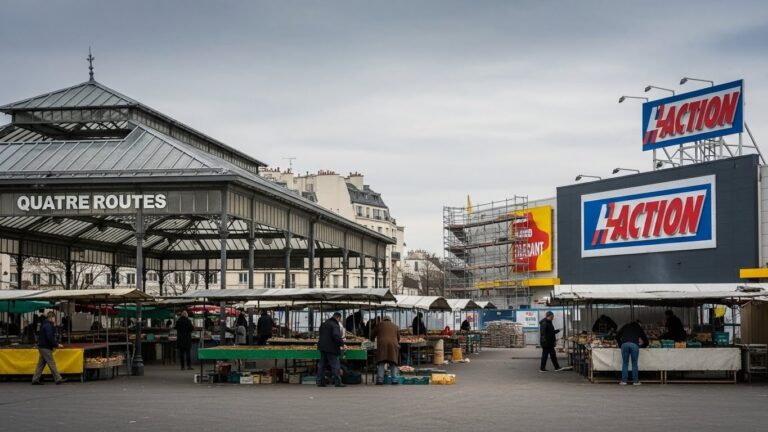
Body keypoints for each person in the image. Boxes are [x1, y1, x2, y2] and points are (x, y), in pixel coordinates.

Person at [32, 312, 65, 385]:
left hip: (42, 346)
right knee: (51, 363)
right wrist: (56, 344)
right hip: (46, 347)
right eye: (54, 318)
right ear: (51, 317)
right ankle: (58, 378)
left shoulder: (44, 324)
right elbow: (50, 337)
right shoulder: (48, 325)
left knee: (41, 364)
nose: (55, 319)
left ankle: (35, 379)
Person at [316, 312, 346, 387]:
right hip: (331, 348)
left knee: (322, 365)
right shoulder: (335, 325)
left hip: (322, 347)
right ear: (338, 318)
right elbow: (336, 336)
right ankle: (338, 382)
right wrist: (342, 344)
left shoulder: (324, 324)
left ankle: (320, 382)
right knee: (335, 365)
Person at [617, 320, 649, 385]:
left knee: (625, 363)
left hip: (624, 344)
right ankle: (635, 381)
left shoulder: (625, 326)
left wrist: (620, 345)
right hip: (634, 345)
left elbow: (617, 336)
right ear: (638, 324)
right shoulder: (638, 327)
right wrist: (641, 346)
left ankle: (624, 381)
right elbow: (646, 341)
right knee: (634, 363)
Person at [373, 315, 400, 385]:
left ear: (383, 320)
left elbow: (372, 334)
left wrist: (372, 339)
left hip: (382, 346)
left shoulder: (379, 325)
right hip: (392, 346)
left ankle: (380, 380)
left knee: (381, 363)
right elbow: (398, 338)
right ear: (390, 320)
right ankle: (394, 380)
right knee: (393, 363)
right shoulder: (395, 326)